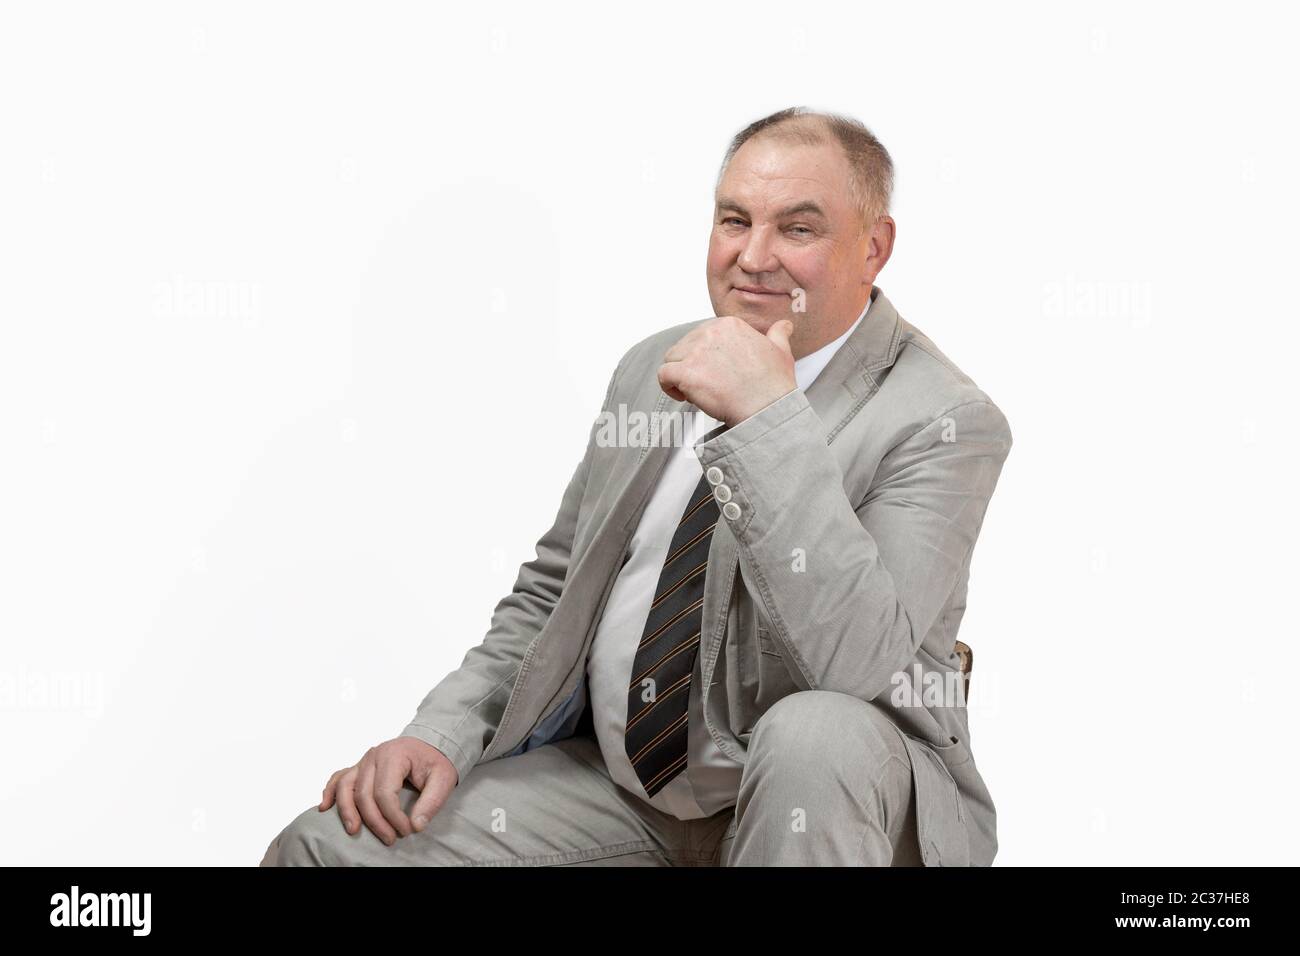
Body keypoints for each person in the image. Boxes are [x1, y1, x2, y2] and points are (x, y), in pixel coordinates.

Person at [260, 106, 1013, 867]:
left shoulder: (944, 420)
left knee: (814, 731)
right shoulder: (656, 368)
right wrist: (440, 732)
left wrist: (768, 420)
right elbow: (556, 588)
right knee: (327, 850)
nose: (753, 256)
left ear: (873, 248)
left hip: (833, 813)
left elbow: (860, 665)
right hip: (623, 797)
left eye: (797, 229)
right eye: (733, 220)